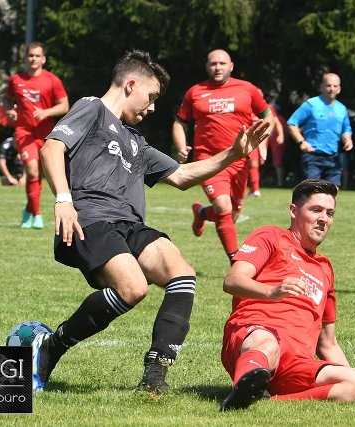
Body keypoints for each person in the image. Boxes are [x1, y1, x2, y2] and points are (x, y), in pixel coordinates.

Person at [33, 49, 270, 394]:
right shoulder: (92, 108)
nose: (153, 107)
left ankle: (155, 374)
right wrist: (64, 199)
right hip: (91, 218)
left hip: (129, 224)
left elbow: (183, 175)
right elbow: (51, 147)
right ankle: (50, 346)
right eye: (152, 96)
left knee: (182, 274)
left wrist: (234, 153)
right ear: (130, 85)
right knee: (133, 288)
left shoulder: (136, 142)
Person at [219, 179, 355, 411]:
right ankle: (245, 383)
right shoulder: (271, 236)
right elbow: (232, 280)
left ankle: (264, 398)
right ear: (294, 211)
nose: (323, 219)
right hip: (253, 336)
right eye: (316, 210)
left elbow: (328, 343)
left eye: (330, 213)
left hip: (296, 362)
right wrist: (271, 292)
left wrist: (349, 373)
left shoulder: (325, 269)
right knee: (266, 342)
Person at [172, 49, 274, 262]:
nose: (217, 67)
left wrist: (263, 142)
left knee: (232, 215)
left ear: (231, 66)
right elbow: (179, 122)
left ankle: (201, 213)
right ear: (206, 67)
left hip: (239, 159)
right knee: (223, 206)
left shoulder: (247, 89)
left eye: (222, 63)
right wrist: (181, 147)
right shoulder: (195, 92)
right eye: (213, 64)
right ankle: (235, 261)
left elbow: (267, 115)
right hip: (208, 159)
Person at [2, 42, 69, 229]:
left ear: (43, 59)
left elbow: (64, 106)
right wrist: (9, 111)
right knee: (31, 171)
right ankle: (37, 215)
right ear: (25, 58)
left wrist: (46, 112)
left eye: (37, 56)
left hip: (46, 134)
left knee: (39, 175)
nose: (33, 59)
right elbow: (6, 100)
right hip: (24, 133)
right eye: (30, 55)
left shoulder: (52, 80)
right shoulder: (16, 80)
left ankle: (28, 210)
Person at [287, 73, 353, 187]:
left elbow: (346, 129)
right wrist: (301, 142)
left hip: (333, 157)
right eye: (328, 85)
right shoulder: (311, 104)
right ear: (321, 86)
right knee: (313, 191)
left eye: (335, 86)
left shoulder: (342, 109)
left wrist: (348, 139)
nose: (331, 89)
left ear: (339, 89)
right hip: (312, 156)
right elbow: (292, 123)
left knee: (333, 192)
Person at [247, 90, 284, 197]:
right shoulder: (246, 107)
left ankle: (254, 189)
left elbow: (276, 121)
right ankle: (254, 189)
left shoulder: (267, 108)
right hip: (249, 138)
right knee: (251, 164)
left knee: (255, 164)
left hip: (262, 140)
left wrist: (281, 134)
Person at [268, 104, 288, 188]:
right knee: (276, 163)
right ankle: (278, 181)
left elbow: (285, 132)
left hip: (278, 144)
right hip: (273, 145)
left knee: (278, 163)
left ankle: (280, 183)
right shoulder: (272, 119)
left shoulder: (280, 119)